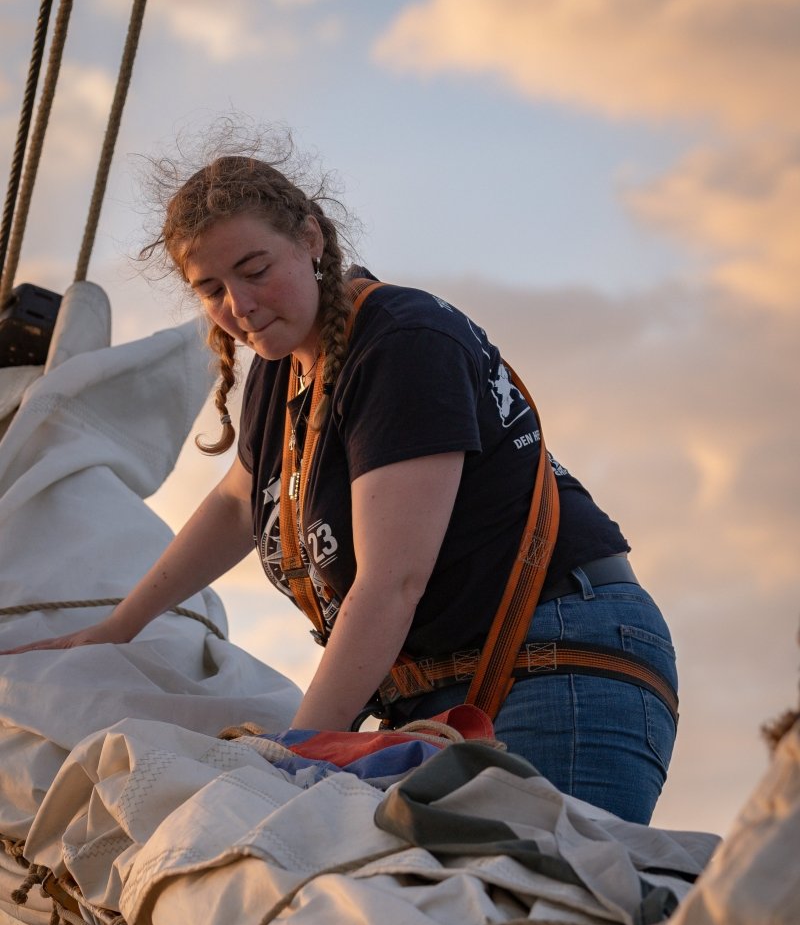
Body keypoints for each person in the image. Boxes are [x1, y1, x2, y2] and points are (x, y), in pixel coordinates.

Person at [7, 150, 678, 824]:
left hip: (556, 665)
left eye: (255, 271)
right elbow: (238, 505)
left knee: (531, 911)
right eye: (211, 289)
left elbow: (392, 583)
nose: (238, 306)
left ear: (310, 237)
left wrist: (292, 759)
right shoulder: (284, 371)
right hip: (443, 690)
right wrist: (120, 627)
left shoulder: (403, 343)